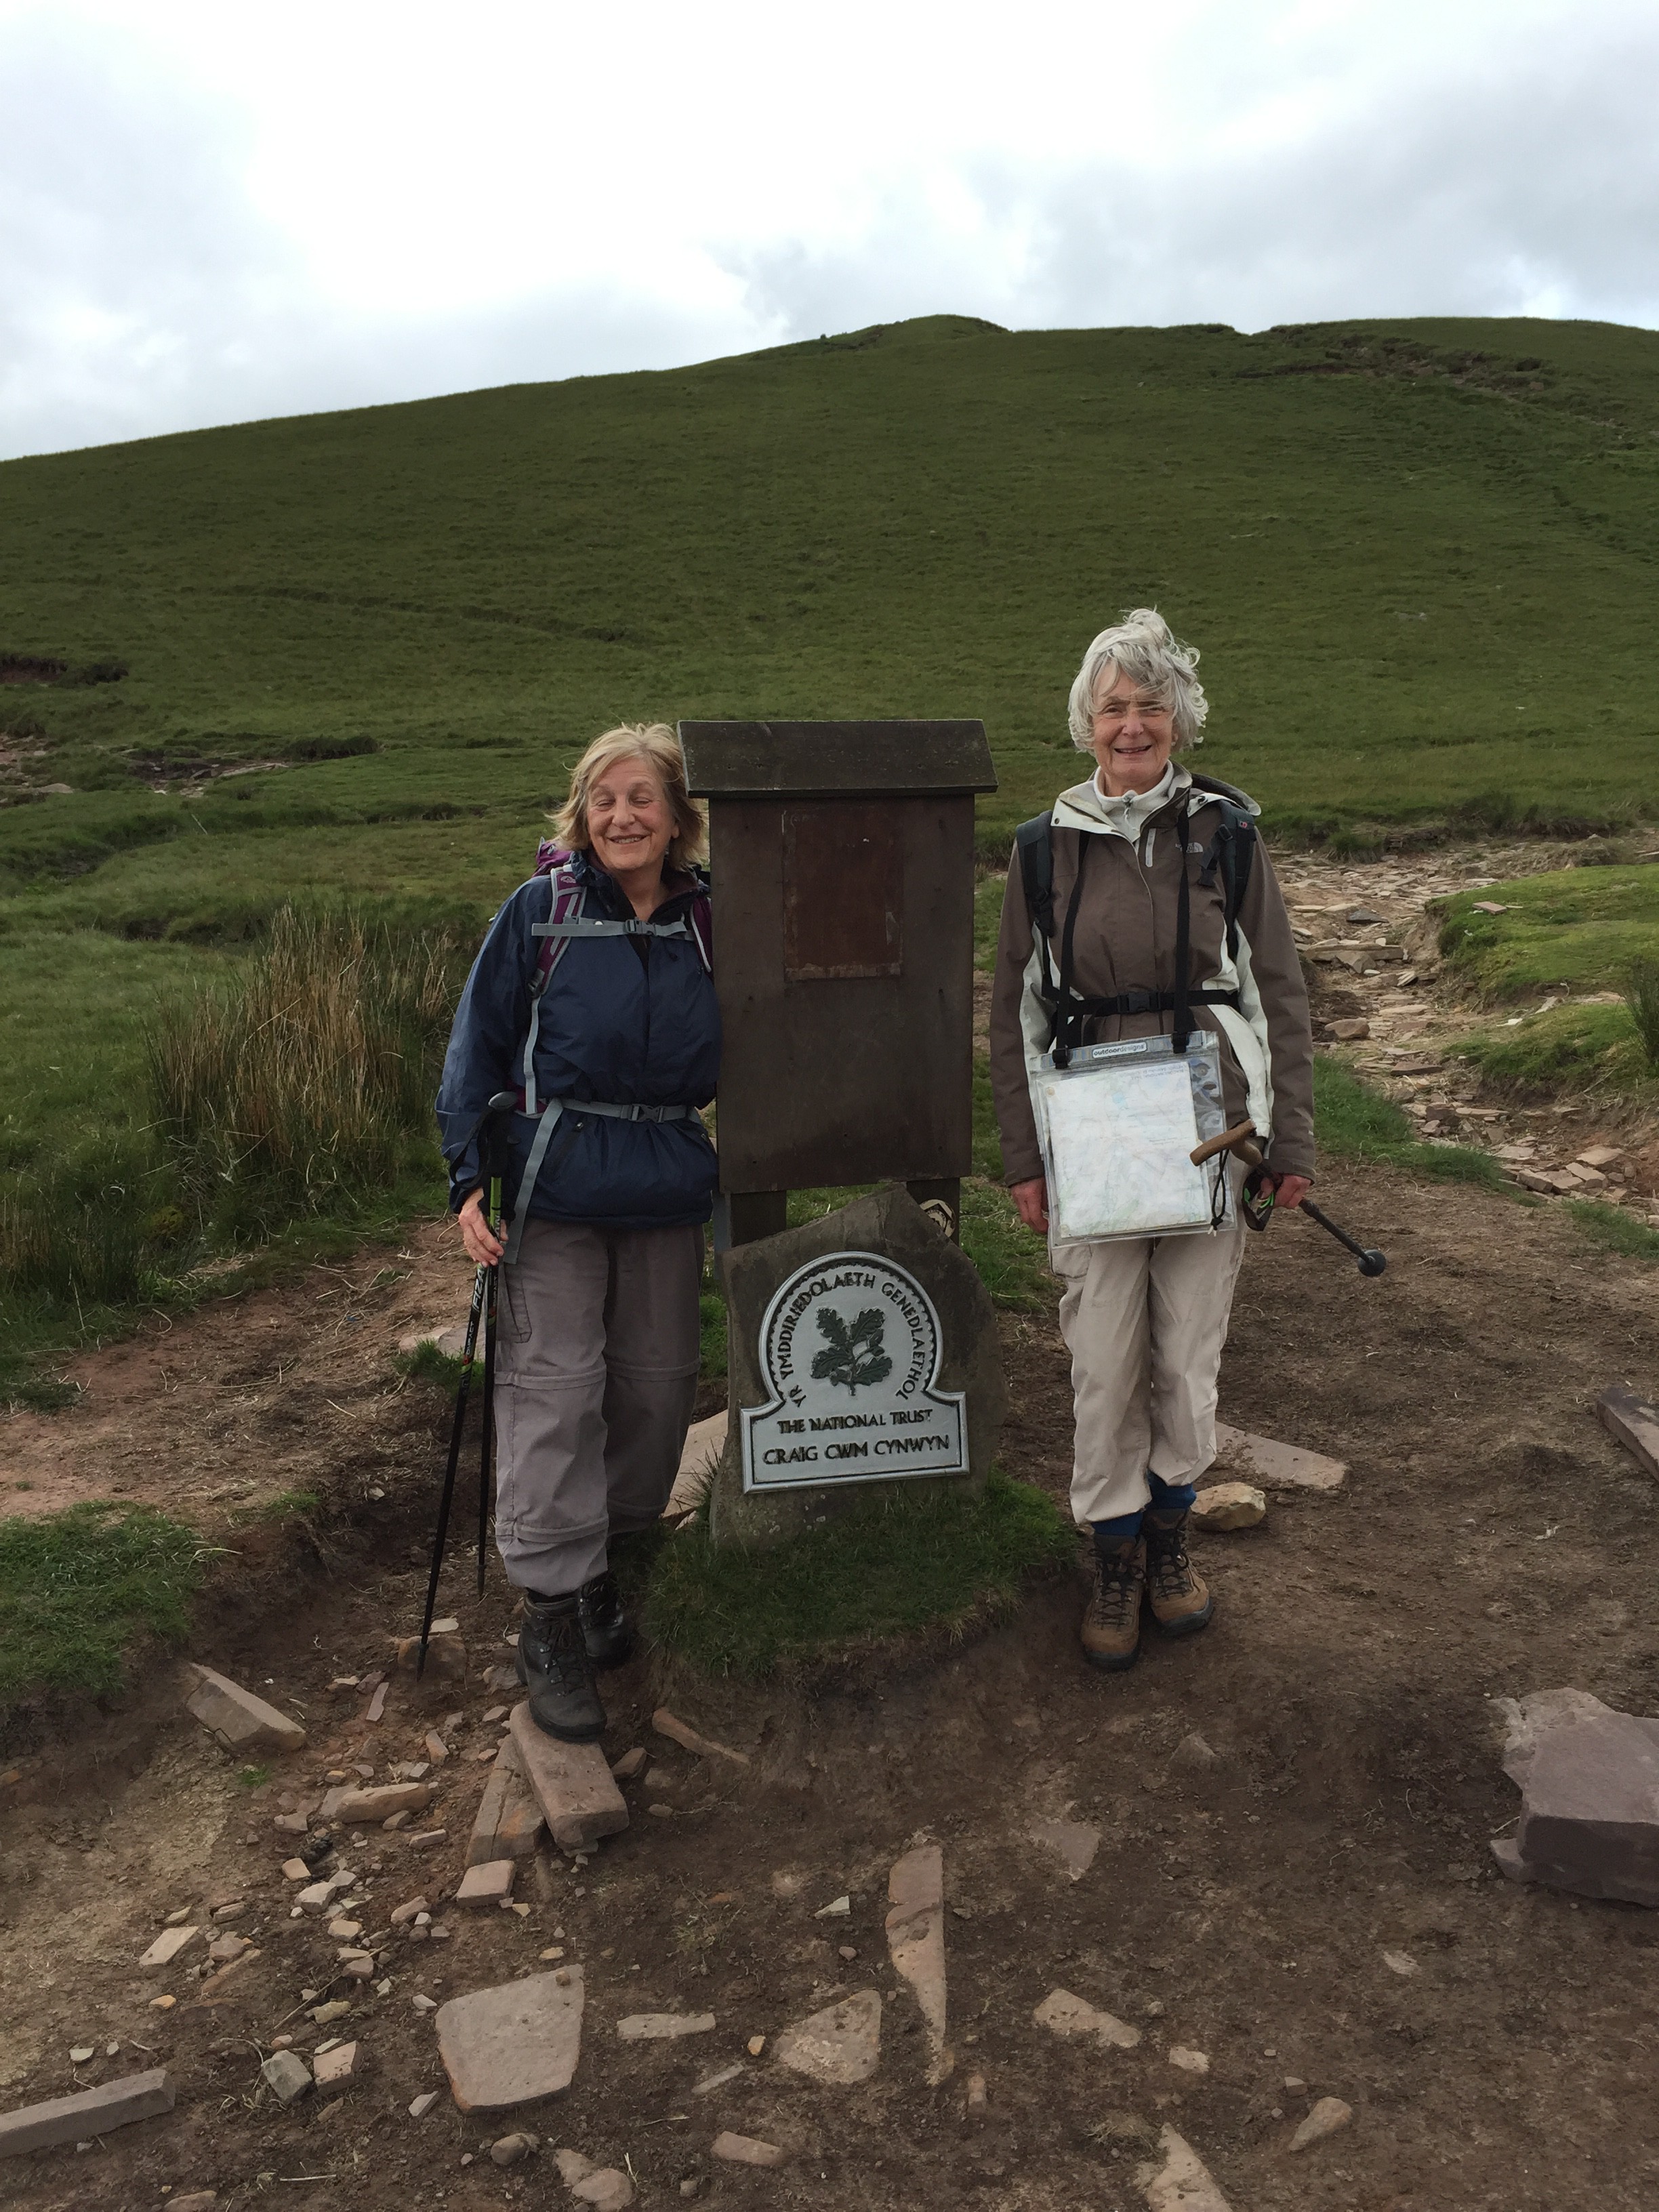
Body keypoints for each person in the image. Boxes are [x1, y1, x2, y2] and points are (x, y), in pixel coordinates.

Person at [988, 610, 1315, 1673]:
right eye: (1113, 707)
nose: (1132, 725)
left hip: (1211, 1132)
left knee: (1185, 1354)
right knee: (1103, 1357)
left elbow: (1279, 992)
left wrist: (1292, 1141)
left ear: (1179, 719)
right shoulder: (1041, 851)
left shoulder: (1228, 835)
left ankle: (1171, 1540)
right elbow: (1014, 1015)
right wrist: (1025, 1159)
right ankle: (1114, 1556)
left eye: (1150, 705)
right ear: (1086, 723)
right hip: (1092, 1139)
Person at [436, 723, 719, 1741]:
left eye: (642, 799)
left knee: (656, 1385)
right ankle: (552, 1613)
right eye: (605, 800)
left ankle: (609, 1568)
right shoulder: (540, 912)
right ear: (581, 814)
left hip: (665, 1184)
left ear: (677, 817)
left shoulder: (710, 921)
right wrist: (469, 1180)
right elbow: (476, 1045)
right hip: (552, 1188)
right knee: (553, 1389)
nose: (622, 817)